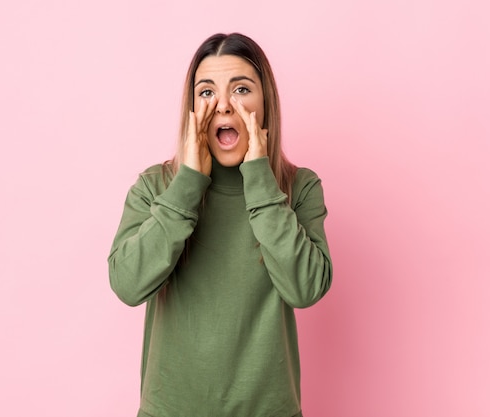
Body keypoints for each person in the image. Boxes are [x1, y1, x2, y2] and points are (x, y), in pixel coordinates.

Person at [108, 32, 333, 417]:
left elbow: (306, 289)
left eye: (242, 89)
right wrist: (188, 184)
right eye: (207, 92)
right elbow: (128, 285)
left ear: (266, 104)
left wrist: (261, 180)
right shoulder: (156, 187)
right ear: (192, 107)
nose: (224, 106)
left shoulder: (300, 188)